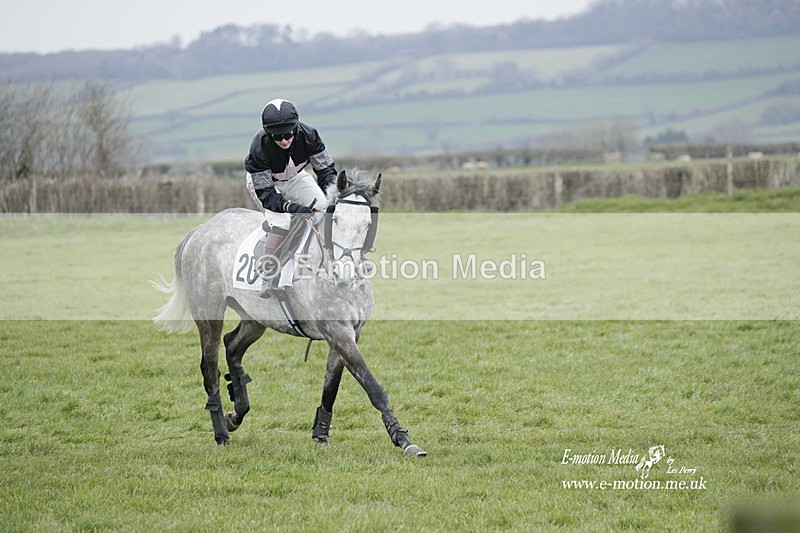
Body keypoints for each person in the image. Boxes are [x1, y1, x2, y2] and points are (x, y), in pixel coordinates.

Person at [244, 99, 337, 298]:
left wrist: (332, 196)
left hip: (296, 177)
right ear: (268, 134)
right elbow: (267, 195)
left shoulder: (310, 135)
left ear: (296, 128)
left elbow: (326, 171)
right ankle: (268, 273)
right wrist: (291, 207)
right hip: (266, 184)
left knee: (323, 208)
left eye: (288, 134)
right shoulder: (258, 148)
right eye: (277, 137)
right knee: (282, 221)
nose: (284, 141)